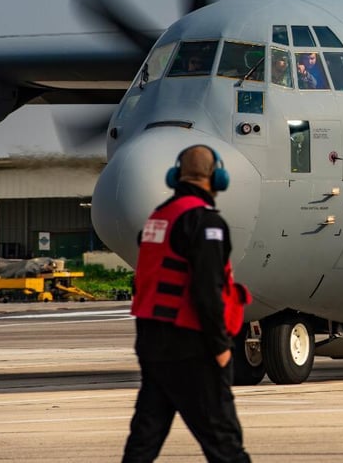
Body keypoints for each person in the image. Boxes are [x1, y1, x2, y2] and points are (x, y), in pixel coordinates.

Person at [122, 145, 252, 463]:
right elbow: (206, 290)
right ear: (217, 177)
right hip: (191, 346)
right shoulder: (204, 223)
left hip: (153, 344)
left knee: (144, 440)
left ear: (175, 176)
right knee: (225, 443)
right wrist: (221, 346)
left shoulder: (158, 219)